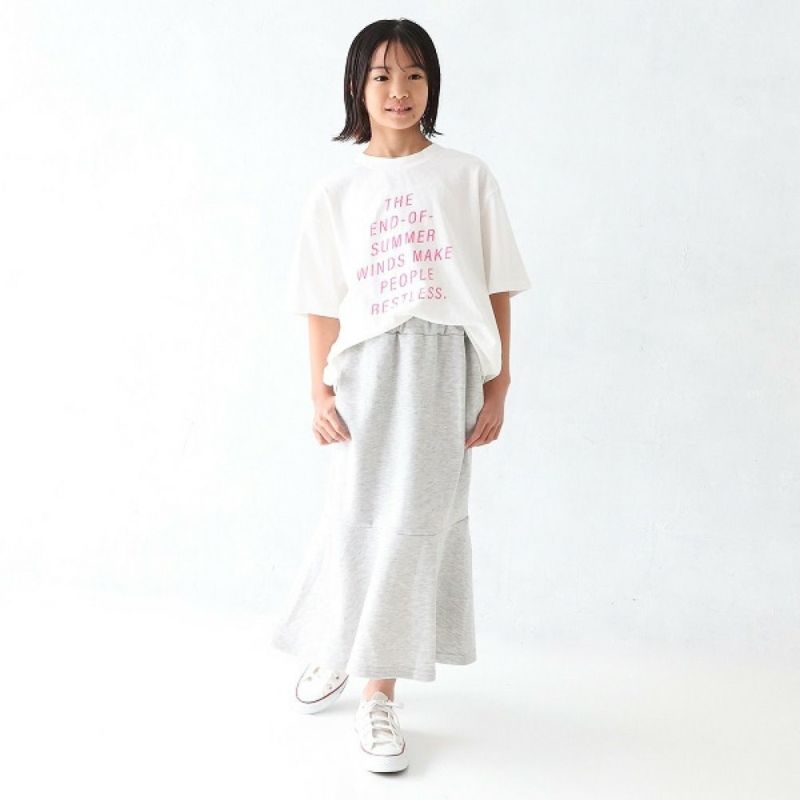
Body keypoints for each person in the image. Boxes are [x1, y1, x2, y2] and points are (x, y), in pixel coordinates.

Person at [269, 17, 532, 773]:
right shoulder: (337, 189)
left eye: (415, 74)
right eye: (383, 75)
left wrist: (499, 383)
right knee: (356, 513)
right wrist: (318, 391)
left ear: (432, 85)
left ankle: (378, 690)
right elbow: (320, 300)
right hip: (367, 366)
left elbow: (496, 285)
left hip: (445, 364)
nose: (399, 90)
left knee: (418, 522)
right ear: (358, 86)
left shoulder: (466, 176)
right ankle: (341, 643)